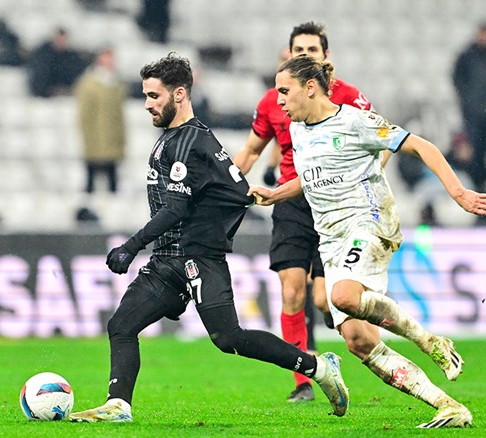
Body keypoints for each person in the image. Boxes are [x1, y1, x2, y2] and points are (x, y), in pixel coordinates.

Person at [69, 53, 349, 423]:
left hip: (197, 258)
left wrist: (131, 246)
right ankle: (118, 405)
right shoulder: (180, 139)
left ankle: (317, 366)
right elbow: (236, 192)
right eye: (145, 96)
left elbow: (176, 210)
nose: (148, 105)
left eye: (154, 96)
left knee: (228, 338)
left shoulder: (188, 143)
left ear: (180, 94)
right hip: (169, 260)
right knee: (121, 325)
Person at [249, 55, 486, 428]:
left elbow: (421, 146)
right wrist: (276, 193)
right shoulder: (298, 130)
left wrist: (458, 193)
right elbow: (313, 177)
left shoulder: (354, 121)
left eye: (285, 90)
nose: (279, 99)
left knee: (342, 296)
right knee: (358, 341)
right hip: (331, 240)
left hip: (368, 222)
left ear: (311, 87)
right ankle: (449, 406)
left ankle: (429, 341)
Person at [233, 21, 373, 403]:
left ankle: (335, 320)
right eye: (299, 50)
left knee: (322, 300)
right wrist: (223, 183)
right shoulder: (274, 100)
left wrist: (365, 180)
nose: (305, 56)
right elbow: (250, 151)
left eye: (312, 50)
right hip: (290, 200)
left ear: (326, 56)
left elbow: (383, 142)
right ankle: (302, 383)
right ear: (289, 54)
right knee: (291, 291)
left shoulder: (348, 97)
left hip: (333, 202)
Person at [452, 22, 486, 191]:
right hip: (471, 113)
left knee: (485, 150)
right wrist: (468, 100)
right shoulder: (467, 56)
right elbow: (457, 79)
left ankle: (482, 183)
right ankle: (472, 182)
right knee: (471, 148)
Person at [75, 47, 127, 193]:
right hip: (95, 137)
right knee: (91, 177)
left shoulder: (116, 84)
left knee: (113, 179)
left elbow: (119, 115)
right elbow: (84, 115)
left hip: (113, 138)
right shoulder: (89, 84)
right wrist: (88, 136)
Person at [27, 28, 88, 97]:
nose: (61, 42)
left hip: (65, 93)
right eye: (59, 39)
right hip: (44, 94)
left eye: (63, 40)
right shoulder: (43, 55)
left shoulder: (72, 57)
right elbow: (39, 75)